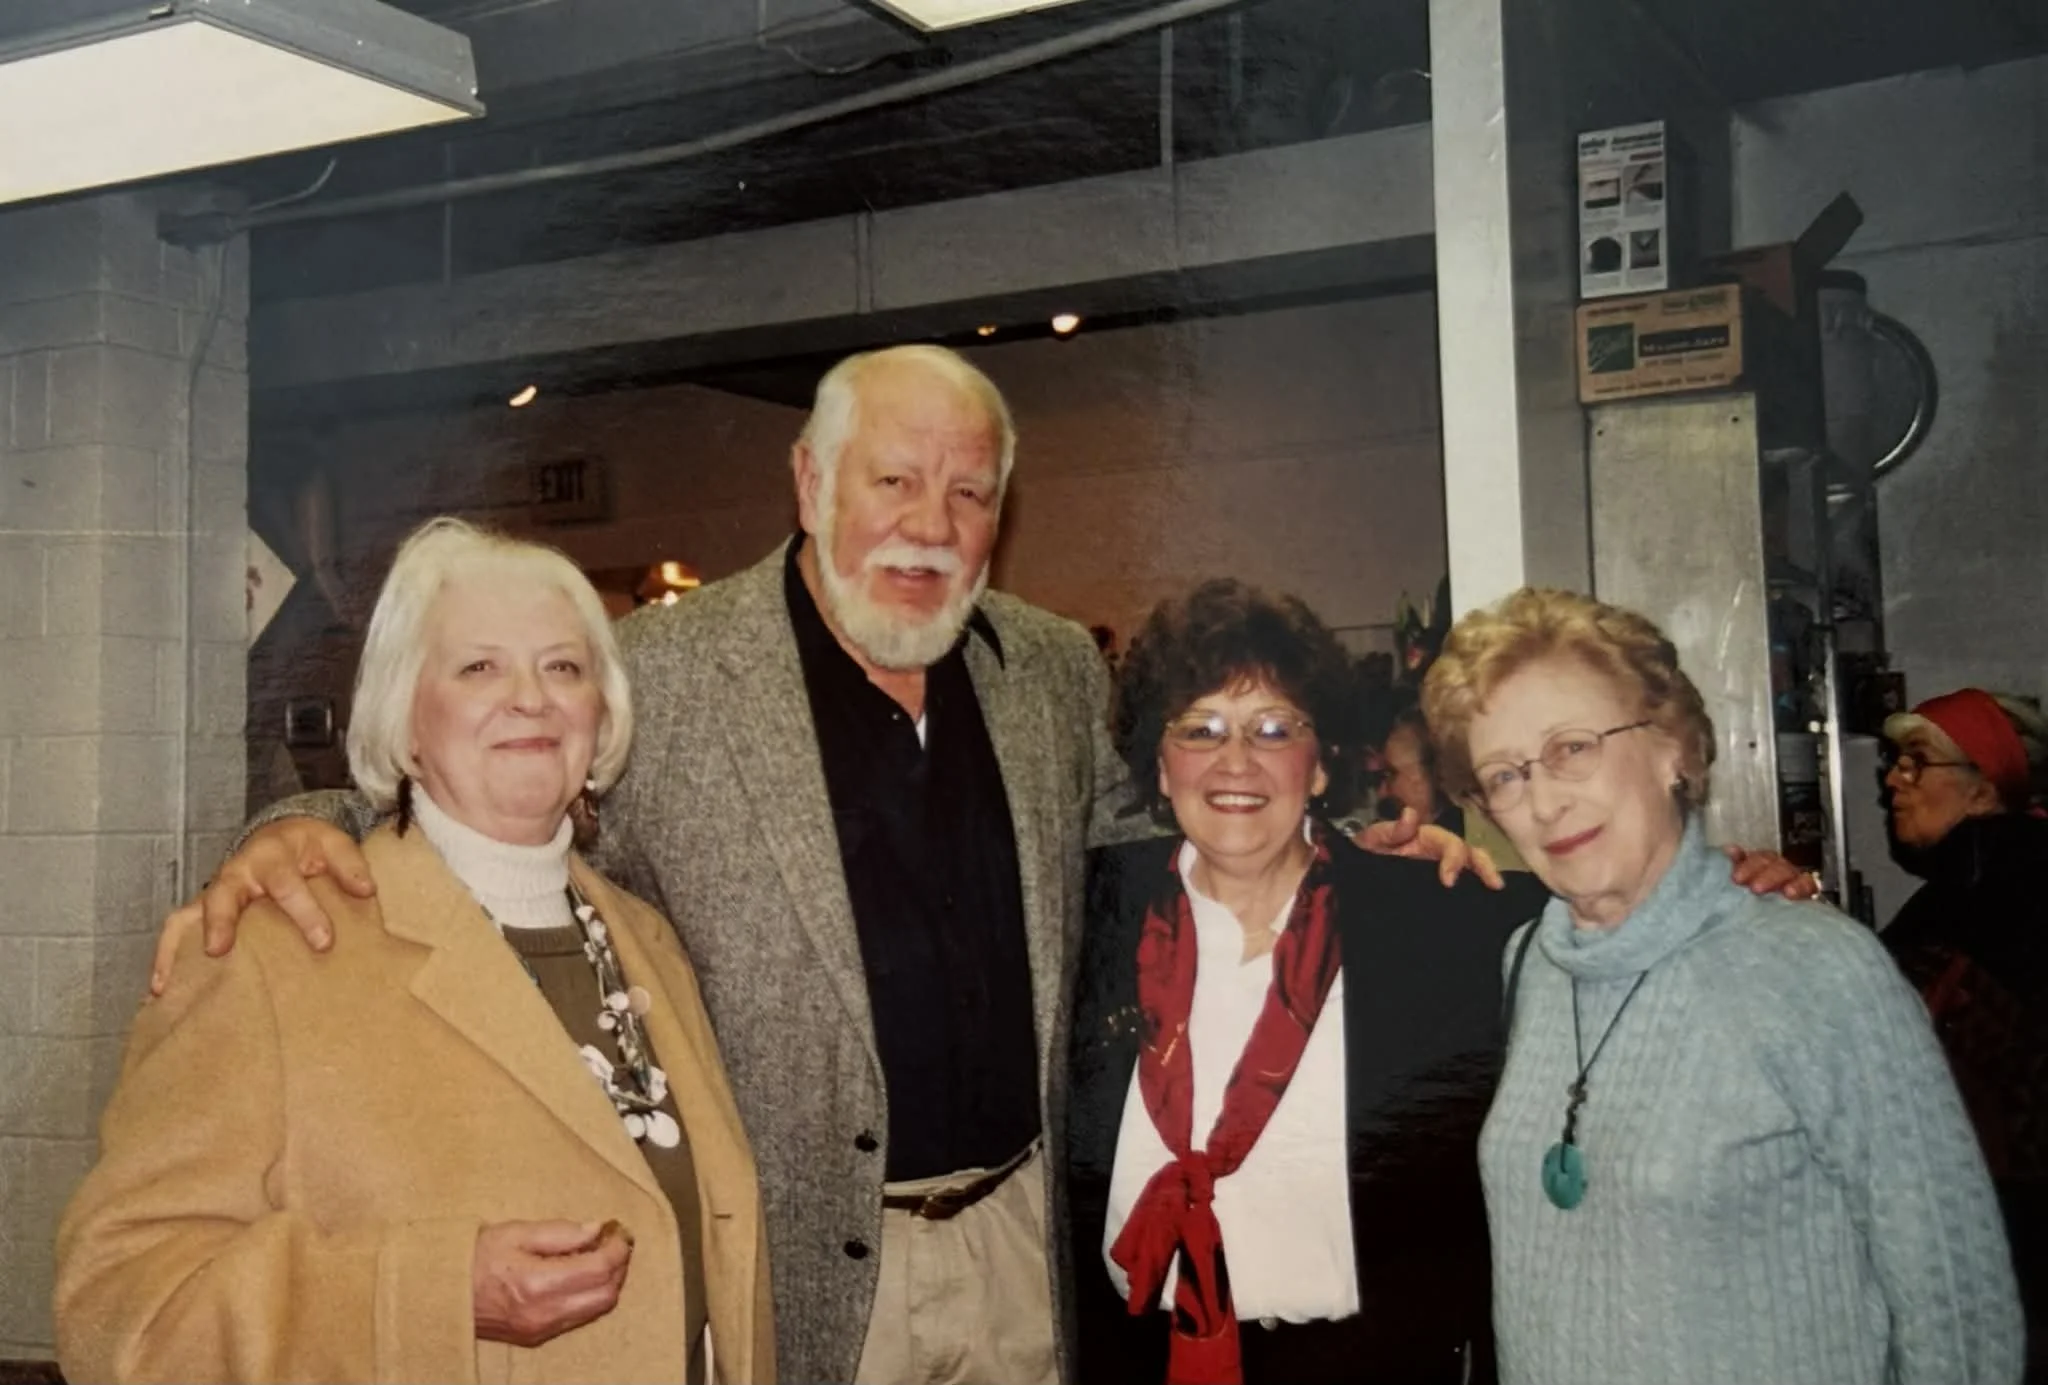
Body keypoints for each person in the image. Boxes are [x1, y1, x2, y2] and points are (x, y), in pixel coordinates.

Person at [150, 346, 1500, 1385]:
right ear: (810, 481)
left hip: (1024, 1249)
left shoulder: (1038, 669)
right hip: (814, 1271)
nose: (929, 523)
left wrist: (1364, 847)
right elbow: (501, 771)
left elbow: (1164, 818)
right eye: (893, 480)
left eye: (969, 492)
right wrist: (295, 840)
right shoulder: (673, 677)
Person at [56, 519, 772, 1384]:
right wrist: (432, 1294)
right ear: (404, 718)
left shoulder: (648, 940)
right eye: (479, 667)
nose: (531, 697)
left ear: (602, 712)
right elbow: (117, 1306)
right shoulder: (273, 951)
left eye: (563, 666)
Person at [1067, 580, 1814, 1385]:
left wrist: (1730, 885)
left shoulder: (1438, 918)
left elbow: (1614, 915)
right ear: (1159, 760)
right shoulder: (1090, 914)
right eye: (1200, 728)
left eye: (1275, 727)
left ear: (1320, 768)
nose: (1235, 761)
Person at [1424, 587, 2022, 1385]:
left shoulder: (1816, 970)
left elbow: (1959, 1308)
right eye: (1504, 773)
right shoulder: (1528, 962)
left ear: (1674, 745)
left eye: (1573, 747)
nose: (1543, 798)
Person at [1879, 688, 2048, 1376]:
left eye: (1917, 762)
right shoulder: (1983, 881)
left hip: (2007, 1245)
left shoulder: (1987, 889)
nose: (1893, 778)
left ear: (1982, 791)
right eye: (1894, 760)